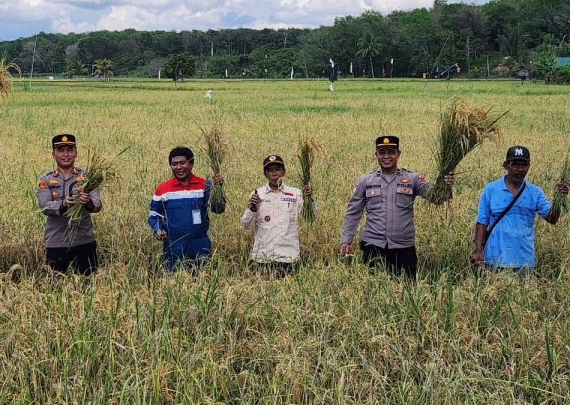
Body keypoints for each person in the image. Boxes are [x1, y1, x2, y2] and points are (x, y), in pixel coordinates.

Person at [339, 135, 454, 278]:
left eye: (391, 152)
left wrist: (445, 185)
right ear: (376, 155)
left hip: (404, 247)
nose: (386, 156)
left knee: (407, 291)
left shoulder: (412, 179)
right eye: (382, 152)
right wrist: (346, 240)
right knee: (374, 290)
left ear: (398, 154)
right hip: (374, 246)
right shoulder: (366, 180)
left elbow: (437, 198)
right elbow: (353, 212)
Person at [472, 145, 568, 274]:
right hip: (494, 260)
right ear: (506, 165)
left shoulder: (535, 192)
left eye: (524, 165)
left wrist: (558, 199)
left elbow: (552, 219)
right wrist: (478, 251)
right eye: (515, 165)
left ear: (529, 166)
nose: (520, 169)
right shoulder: (491, 189)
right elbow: (482, 222)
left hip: (524, 262)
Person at [148, 146, 225, 270]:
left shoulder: (204, 186)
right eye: (174, 164)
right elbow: (154, 215)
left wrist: (218, 189)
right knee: (174, 283)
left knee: (203, 281)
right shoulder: (163, 190)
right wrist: (157, 229)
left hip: (200, 245)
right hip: (173, 247)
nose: (179, 167)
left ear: (192, 163)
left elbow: (218, 209)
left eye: (183, 163)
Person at [36, 134, 102, 275]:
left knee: (89, 286)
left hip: (84, 240)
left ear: (76, 153)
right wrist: (63, 204)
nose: (66, 154)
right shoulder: (46, 179)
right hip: (56, 242)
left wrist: (87, 201)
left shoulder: (88, 177)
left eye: (70, 149)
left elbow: (97, 205)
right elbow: (44, 206)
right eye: (60, 150)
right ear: (53, 154)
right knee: (55, 286)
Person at [241, 154, 316, 274]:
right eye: (270, 170)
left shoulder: (296, 194)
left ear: (284, 172)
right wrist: (252, 207)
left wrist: (309, 199)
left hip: (289, 257)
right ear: (265, 174)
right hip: (262, 258)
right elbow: (245, 225)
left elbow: (310, 218)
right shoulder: (257, 194)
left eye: (277, 169)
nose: (274, 173)